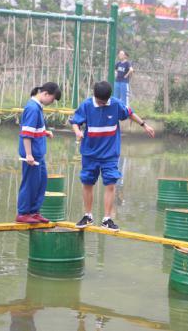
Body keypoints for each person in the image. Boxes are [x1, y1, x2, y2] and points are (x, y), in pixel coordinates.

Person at [71, 81, 154, 231]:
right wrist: (77, 131)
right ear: (94, 96)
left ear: (109, 98)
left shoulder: (116, 104)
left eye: (104, 102)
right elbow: (75, 121)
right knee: (87, 183)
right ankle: (88, 215)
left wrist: (144, 125)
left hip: (110, 154)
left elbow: (129, 113)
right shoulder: (87, 105)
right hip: (90, 153)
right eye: (99, 101)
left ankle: (107, 219)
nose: (102, 104)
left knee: (110, 184)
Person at [16, 82, 61, 223]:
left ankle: (34, 211)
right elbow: (26, 134)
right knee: (30, 183)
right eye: (52, 100)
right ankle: (23, 213)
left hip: (38, 154)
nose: (51, 102)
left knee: (41, 182)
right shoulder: (33, 108)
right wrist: (28, 154)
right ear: (45, 93)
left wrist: (44, 132)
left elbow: (33, 129)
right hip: (32, 156)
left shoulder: (37, 108)